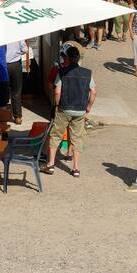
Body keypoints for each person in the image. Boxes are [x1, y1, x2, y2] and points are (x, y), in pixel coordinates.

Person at [45, 44, 95, 178]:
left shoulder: (62, 72)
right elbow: (93, 92)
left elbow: (57, 92)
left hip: (64, 108)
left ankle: (50, 164)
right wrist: (88, 107)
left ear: (67, 58)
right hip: (80, 110)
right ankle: (76, 168)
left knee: (56, 135)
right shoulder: (87, 73)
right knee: (77, 138)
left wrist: (56, 105)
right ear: (78, 58)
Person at [5, 39, 29, 124]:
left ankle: (3, 114)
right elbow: (25, 49)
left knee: (4, 90)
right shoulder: (17, 35)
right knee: (16, 91)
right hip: (15, 64)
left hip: (3, 65)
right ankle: (18, 117)